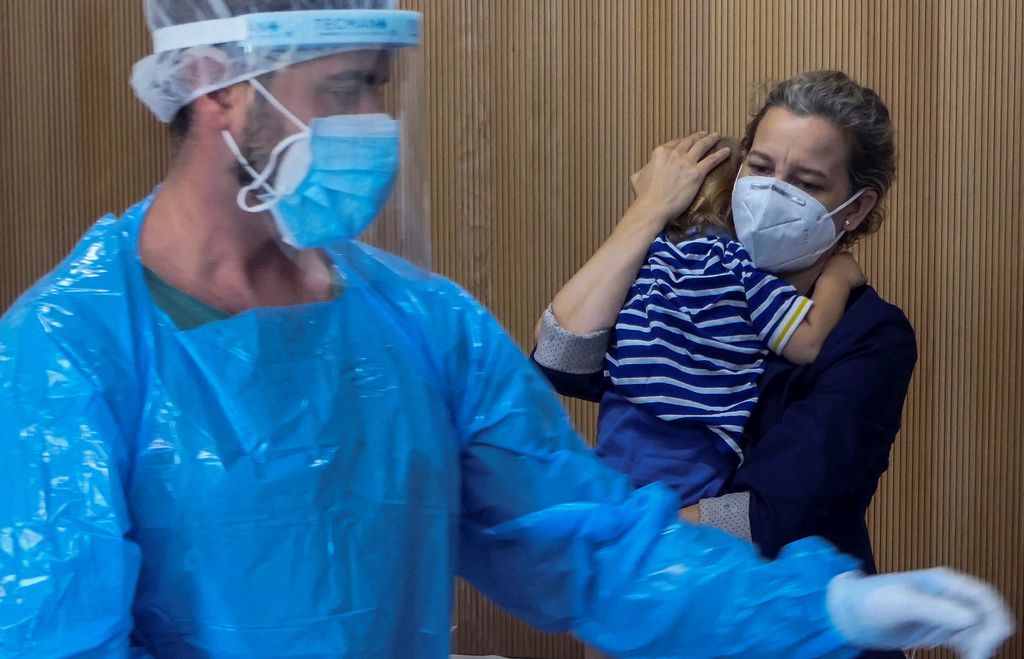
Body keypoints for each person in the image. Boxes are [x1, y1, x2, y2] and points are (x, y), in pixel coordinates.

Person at [0, 3, 1012, 656]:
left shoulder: (422, 323)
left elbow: (586, 541)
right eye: (346, 88)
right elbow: (53, 632)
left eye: (381, 87)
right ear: (222, 85)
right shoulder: (71, 348)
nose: (375, 122)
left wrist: (822, 608)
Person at [534, 71, 1002, 657]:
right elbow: (561, 359)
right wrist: (648, 211)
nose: (773, 193)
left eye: (807, 182)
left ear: (856, 209)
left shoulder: (869, 336)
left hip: (798, 625)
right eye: (759, 167)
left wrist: (626, 546)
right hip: (664, 611)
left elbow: (771, 513)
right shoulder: (697, 273)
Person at [594, 134, 868, 506]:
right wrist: (838, 279)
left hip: (619, 430)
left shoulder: (648, 258)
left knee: (614, 516)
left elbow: (564, 348)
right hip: (692, 447)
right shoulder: (733, 265)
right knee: (670, 528)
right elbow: (806, 343)